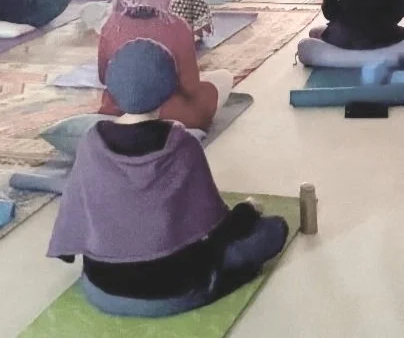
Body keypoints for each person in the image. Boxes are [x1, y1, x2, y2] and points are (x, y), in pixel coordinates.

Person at [48, 38, 289, 318]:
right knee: (273, 231)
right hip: (178, 290)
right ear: (169, 87)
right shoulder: (182, 143)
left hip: (102, 289)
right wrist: (246, 212)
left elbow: (74, 210)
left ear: (112, 85)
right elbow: (214, 226)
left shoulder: (91, 143)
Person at [98, 0, 232, 132]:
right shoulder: (177, 27)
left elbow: (104, 77)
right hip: (169, 115)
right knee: (223, 79)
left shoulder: (111, 25)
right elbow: (191, 87)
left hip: (118, 112)